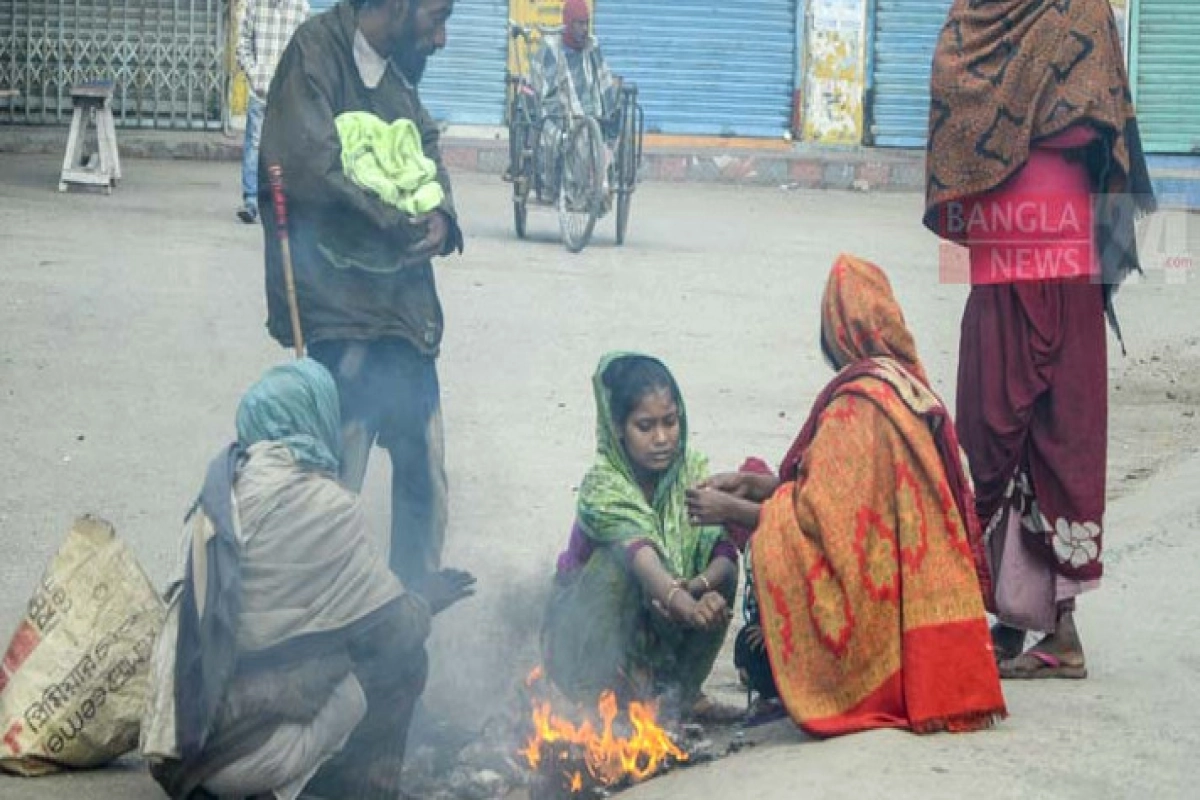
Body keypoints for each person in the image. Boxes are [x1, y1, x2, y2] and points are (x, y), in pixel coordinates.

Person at [924, 0, 1155, 679]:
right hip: (1003, 260)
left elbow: (1103, 115)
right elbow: (950, 98)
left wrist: (1023, 119)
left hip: (1065, 260)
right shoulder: (973, 15)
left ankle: (1061, 629)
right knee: (991, 442)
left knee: (1056, 436)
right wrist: (1041, 113)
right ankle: (1000, 615)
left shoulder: (1083, 10)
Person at [687, 255, 1006, 737]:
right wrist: (755, 485)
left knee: (755, 652)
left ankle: (851, 684)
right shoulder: (906, 388)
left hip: (879, 624)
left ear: (837, 331)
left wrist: (731, 510)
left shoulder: (856, 409)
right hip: (917, 606)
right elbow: (846, 502)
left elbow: (820, 523)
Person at [141, 359, 475, 800]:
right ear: (317, 416)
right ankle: (353, 788)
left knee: (324, 644)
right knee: (400, 664)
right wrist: (424, 600)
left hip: (177, 750)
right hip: (241, 757)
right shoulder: (326, 505)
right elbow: (390, 629)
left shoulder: (220, 493)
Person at [257, 0, 463, 590]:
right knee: (335, 478)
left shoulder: (401, 68)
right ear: (397, 6)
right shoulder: (315, 53)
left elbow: (425, 149)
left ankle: (413, 608)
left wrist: (442, 216)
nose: (443, 37)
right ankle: (326, 612)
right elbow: (309, 168)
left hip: (404, 313)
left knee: (425, 468)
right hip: (337, 311)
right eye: (437, 17)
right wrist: (396, 219)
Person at [542, 353, 740, 721]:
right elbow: (640, 556)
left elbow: (723, 549)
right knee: (616, 567)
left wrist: (701, 588)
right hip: (583, 640)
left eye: (670, 422)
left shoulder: (691, 470)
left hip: (662, 620)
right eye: (645, 426)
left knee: (725, 570)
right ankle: (591, 705)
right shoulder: (602, 485)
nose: (662, 438)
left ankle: (681, 696)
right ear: (618, 427)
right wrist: (684, 603)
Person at [530, 0, 618, 198]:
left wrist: (611, 114)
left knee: (604, 140)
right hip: (562, 114)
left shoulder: (592, 47)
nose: (584, 29)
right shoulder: (551, 49)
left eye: (586, 23)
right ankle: (570, 189)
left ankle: (593, 186)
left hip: (593, 115)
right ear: (568, 24)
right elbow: (546, 94)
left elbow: (604, 82)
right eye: (579, 23)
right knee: (560, 140)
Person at [235, 0, 309, 224]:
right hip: (261, 90)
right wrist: (254, 74)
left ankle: (282, 202)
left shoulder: (301, 7)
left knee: (288, 147)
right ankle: (251, 200)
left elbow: (307, 48)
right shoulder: (254, 5)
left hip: (289, 94)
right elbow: (242, 43)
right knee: (255, 145)